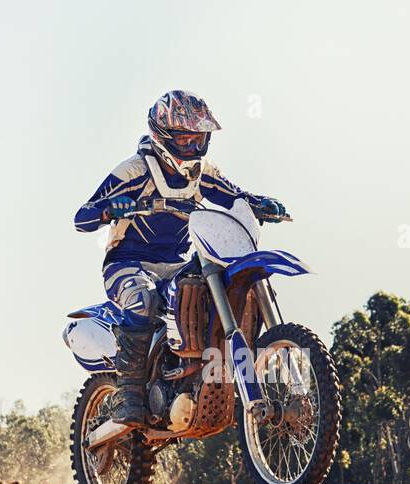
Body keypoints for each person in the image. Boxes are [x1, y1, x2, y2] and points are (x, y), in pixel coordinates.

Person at [73, 90, 287, 427]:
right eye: (184, 138)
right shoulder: (134, 171)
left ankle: (207, 371)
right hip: (128, 264)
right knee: (142, 300)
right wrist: (109, 209)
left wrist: (257, 203)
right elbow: (82, 216)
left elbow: (234, 196)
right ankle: (128, 394)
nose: (191, 146)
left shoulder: (203, 172)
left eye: (197, 138)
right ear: (162, 137)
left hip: (177, 264)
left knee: (211, 290)